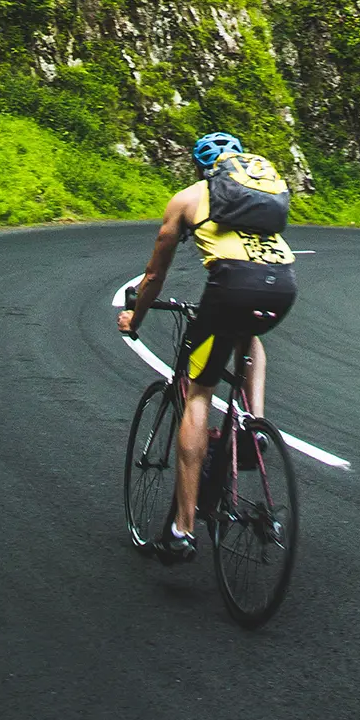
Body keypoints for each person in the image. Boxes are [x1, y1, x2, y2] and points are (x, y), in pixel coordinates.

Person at [117, 132, 297, 563]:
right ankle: (253, 425)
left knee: (198, 393)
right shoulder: (258, 199)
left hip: (232, 287)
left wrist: (134, 319)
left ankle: (181, 530)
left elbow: (154, 276)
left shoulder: (187, 198)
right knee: (246, 335)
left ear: (201, 168)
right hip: (283, 286)